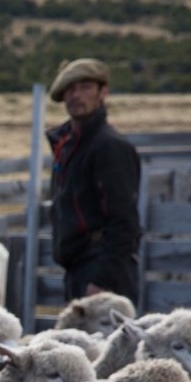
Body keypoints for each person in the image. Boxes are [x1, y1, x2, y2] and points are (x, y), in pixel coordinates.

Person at [46, 57, 143, 302]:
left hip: (102, 272)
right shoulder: (69, 146)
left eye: (86, 87)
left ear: (103, 93)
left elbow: (125, 222)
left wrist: (102, 280)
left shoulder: (109, 147)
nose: (76, 95)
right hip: (78, 267)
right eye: (70, 89)